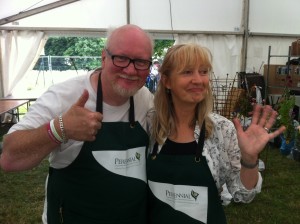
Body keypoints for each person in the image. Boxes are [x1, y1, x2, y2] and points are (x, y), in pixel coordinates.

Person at [0, 24, 154, 224]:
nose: (131, 69)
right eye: (121, 58)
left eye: (141, 62)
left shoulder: (145, 98)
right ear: (104, 57)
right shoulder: (63, 96)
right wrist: (59, 129)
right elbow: (9, 158)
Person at [146, 43, 285, 224]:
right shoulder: (149, 123)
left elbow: (243, 194)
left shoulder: (221, 128)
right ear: (167, 81)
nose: (198, 80)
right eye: (187, 72)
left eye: (203, 72)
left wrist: (250, 160)